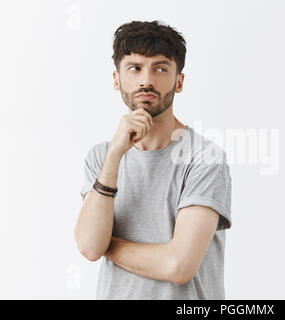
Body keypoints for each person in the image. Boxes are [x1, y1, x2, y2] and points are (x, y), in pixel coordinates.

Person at [74, 20, 232, 300]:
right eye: (135, 68)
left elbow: (178, 266)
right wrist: (114, 156)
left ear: (179, 81)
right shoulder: (101, 156)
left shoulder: (205, 159)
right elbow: (88, 247)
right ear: (116, 79)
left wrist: (106, 245)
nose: (146, 80)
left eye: (160, 68)